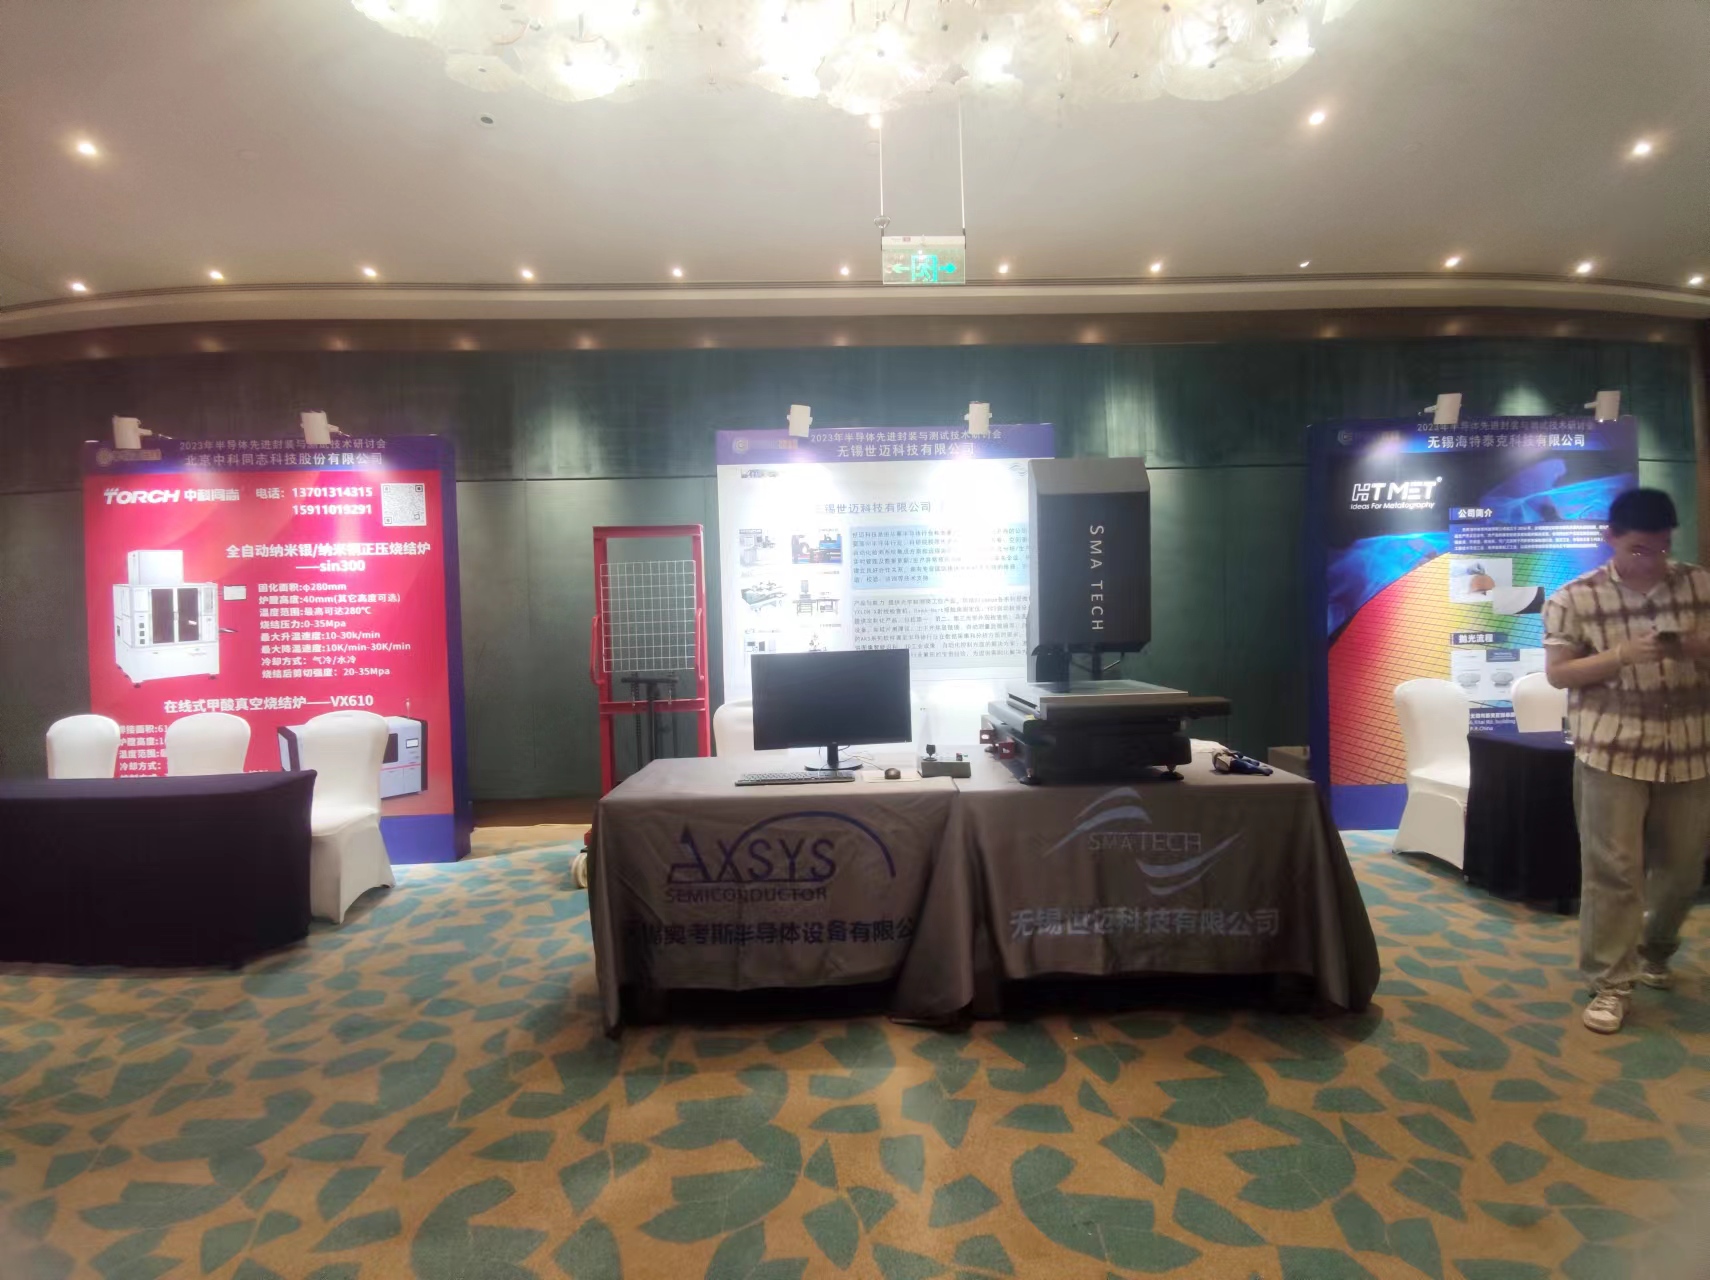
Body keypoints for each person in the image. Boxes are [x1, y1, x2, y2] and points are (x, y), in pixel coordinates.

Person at [1544, 488, 1710, 1033]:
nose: (1652, 561)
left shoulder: (1700, 585)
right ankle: (1610, 983)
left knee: (1683, 870)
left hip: (1691, 750)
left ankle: (1655, 950)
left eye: (1661, 549)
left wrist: (1695, 646)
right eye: (1639, 549)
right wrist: (1620, 656)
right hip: (1611, 751)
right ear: (1610, 538)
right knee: (1614, 873)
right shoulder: (1575, 597)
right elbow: (1559, 673)